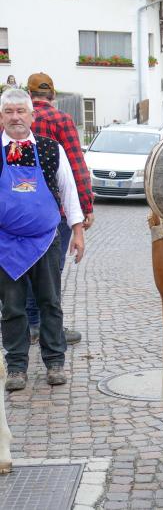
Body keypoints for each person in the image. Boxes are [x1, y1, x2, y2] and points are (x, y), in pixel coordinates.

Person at [0, 88, 85, 391]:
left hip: (45, 240)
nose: (15, 117)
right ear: (1, 117)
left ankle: (54, 363)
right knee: (12, 307)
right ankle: (17, 367)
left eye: (20, 111)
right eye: (9, 112)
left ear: (32, 116)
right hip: (5, 245)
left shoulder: (50, 149)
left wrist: (77, 230)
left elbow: (68, 189)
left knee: (50, 302)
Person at [25, 72, 93, 346]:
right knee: (51, 270)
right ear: (52, 96)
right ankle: (50, 328)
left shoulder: (12, 119)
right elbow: (75, 164)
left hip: (21, 210)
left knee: (25, 267)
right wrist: (86, 206)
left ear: (29, 96)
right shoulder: (61, 120)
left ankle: (31, 325)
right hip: (56, 209)